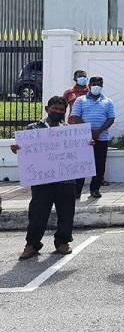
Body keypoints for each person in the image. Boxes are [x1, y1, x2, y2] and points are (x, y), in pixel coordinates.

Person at [11, 96, 78, 260]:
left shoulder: (69, 131)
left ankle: (63, 242)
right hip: (41, 180)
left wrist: (86, 145)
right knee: (37, 213)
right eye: (55, 109)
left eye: (61, 110)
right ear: (47, 109)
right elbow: (24, 152)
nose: (58, 112)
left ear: (65, 112)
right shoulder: (33, 129)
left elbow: (78, 152)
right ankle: (32, 245)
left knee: (66, 212)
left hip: (65, 179)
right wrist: (17, 149)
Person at [70, 76, 115, 199]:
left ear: (102, 86)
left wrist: (99, 131)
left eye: (99, 84)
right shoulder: (80, 100)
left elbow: (111, 118)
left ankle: (95, 189)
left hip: (102, 138)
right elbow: (75, 117)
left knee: (100, 165)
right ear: (89, 85)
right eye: (94, 83)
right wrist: (88, 131)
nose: (97, 86)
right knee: (82, 165)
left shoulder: (108, 101)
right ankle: (77, 191)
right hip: (83, 138)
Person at [63, 70, 89, 199]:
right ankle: (70, 188)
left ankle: (78, 189)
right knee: (72, 159)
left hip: (86, 130)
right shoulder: (69, 93)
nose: (83, 78)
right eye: (80, 77)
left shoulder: (91, 92)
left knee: (84, 160)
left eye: (84, 76)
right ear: (74, 78)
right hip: (72, 129)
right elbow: (62, 108)